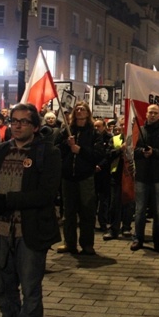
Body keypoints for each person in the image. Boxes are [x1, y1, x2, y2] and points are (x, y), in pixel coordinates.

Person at [0, 103, 61, 317]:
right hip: (1, 232)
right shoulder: (0, 151)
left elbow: (46, 194)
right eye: (14, 120)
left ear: (35, 126)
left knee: (30, 291)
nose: (17, 125)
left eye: (24, 121)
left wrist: (7, 200)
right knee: (2, 291)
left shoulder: (48, 153)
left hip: (29, 233)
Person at [57, 102, 104, 255]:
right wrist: (67, 144)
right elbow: (56, 150)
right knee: (69, 212)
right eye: (77, 109)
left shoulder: (94, 133)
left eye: (82, 109)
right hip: (68, 177)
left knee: (87, 211)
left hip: (85, 177)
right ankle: (69, 243)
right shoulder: (67, 131)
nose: (79, 111)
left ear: (88, 113)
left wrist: (80, 150)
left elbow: (98, 154)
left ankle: (87, 244)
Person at [131, 104, 159, 252]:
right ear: (147, 114)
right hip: (142, 176)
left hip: (158, 177)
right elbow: (133, 150)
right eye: (151, 112)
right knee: (140, 210)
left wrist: (154, 152)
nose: (153, 115)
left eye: (156, 113)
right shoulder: (140, 131)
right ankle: (138, 239)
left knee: (158, 212)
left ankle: (158, 241)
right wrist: (142, 151)